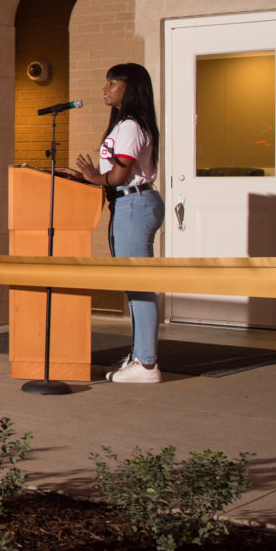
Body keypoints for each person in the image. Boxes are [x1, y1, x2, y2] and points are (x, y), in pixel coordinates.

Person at [74, 62, 165, 384]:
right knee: (134, 284)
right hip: (130, 203)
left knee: (138, 285)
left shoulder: (130, 126)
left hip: (133, 203)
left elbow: (119, 173)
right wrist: (91, 177)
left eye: (112, 83)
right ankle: (140, 356)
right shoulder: (127, 124)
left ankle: (147, 363)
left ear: (130, 88)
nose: (105, 89)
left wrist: (94, 178)